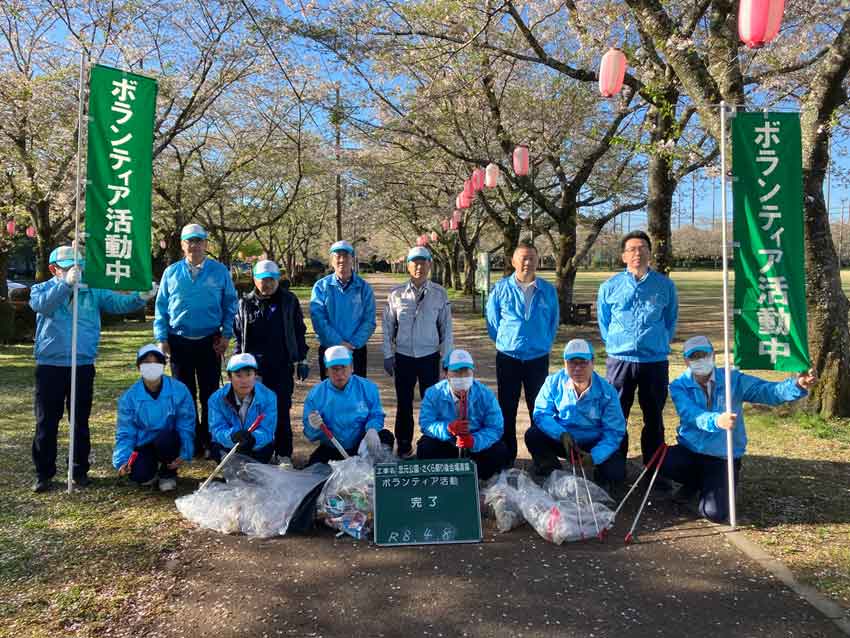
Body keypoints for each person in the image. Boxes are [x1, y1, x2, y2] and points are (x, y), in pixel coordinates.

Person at [30, 245, 153, 492]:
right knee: (47, 421)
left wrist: (141, 297)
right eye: (69, 268)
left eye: (79, 267)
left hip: (83, 364)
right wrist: (65, 285)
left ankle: (79, 470)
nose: (77, 272)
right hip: (51, 366)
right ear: (54, 269)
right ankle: (44, 473)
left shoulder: (92, 290)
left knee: (80, 421)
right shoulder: (41, 289)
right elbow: (43, 305)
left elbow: (117, 303)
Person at [660, 336, 816, 523]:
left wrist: (796, 385)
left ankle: (712, 483)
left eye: (704, 354)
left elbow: (766, 391)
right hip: (690, 450)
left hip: (722, 456)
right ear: (686, 361)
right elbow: (690, 414)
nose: (700, 360)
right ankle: (696, 483)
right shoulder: (679, 386)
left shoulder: (733, 379)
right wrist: (717, 421)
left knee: (713, 513)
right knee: (660, 462)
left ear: (713, 356)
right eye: (694, 356)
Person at [597, 230, 678, 474]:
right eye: (632, 249)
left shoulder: (664, 285)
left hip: (654, 361)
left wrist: (656, 342)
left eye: (642, 248)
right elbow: (604, 322)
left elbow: (670, 320)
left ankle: (653, 469)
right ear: (623, 256)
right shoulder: (610, 286)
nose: (637, 253)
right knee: (615, 415)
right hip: (620, 360)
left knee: (654, 417)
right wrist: (617, 344)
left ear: (650, 253)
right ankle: (614, 467)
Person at [154, 223, 238, 458]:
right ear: (182, 245)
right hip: (178, 342)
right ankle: (190, 441)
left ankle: (210, 439)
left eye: (198, 241)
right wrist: (161, 338)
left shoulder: (219, 271)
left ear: (206, 244)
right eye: (189, 241)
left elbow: (230, 304)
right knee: (185, 394)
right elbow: (161, 308)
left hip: (209, 342)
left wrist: (226, 335)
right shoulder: (171, 272)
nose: (194, 246)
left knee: (210, 393)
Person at [485, 240, 559, 465]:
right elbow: (493, 323)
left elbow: (553, 322)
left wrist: (541, 343)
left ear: (538, 261)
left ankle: (542, 457)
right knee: (507, 407)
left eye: (532, 258)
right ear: (513, 261)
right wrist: (508, 341)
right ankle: (507, 455)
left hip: (537, 358)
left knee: (539, 407)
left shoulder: (547, 290)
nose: (528, 262)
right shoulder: (500, 289)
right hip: (509, 357)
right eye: (523, 258)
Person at [234, 259, 309, 468]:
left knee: (281, 409)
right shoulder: (245, 303)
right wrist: (237, 364)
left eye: (271, 280)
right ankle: (260, 451)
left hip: (281, 365)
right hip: (253, 369)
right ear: (254, 280)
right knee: (256, 411)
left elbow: (299, 331)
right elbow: (239, 336)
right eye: (262, 280)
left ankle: (284, 453)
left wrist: (302, 359)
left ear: (277, 279)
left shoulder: (289, 300)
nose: (266, 284)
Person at [526, 339, 626, 493]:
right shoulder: (553, 382)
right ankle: (551, 471)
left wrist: (595, 456)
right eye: (572, 363)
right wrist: (561, 434)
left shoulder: (607, 392)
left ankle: (601, 475)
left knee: (615, 472)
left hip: (593, 442)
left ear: (592, 363)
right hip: (564, 440)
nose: (577, 368)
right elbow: (541, 413)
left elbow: (614, 431)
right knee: (533, 435)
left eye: (583, 362)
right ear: (565, 364)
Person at [382, 246, 453, 457]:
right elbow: (388, 326)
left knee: (431, 402)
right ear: (408, 266)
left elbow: (446, 328)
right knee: (404, 403)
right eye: (415, 263)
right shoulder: (396, 294)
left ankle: (431, 442)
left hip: (429, 357)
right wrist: (388, 354)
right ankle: (404, 444)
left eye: (423, 262)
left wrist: (446, 358)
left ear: (430, 265)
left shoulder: (439, 294)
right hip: (404, 357)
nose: (419, 267)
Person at [113, 345, 196, 491]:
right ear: (139, 367)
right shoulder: (129, 397)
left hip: (168, 441)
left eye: (156, 362)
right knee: (140, 475)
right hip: (143, 443)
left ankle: (168, 473)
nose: (151, 366)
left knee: (166, 438)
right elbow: (126, 432)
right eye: (146, 362)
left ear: (163, 365)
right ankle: (151, 470)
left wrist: (185, 451)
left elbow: (186, 423)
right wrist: (123, 460)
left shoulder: (179, 390)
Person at [417, 350, 509, 481]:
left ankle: (478, 479)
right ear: (446, 374)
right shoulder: (433, 393)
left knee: (500, 450)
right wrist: (447, 428)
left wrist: (474, 441)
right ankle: (442, 480)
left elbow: (495, 428)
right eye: (456, 372)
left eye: (466, 372)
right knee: (426, 447)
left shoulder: (485, 394)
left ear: (473, 373)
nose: (462, 377)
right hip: (447, 442)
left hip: (475, 444)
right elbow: (426, 424)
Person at [303, 345, 394, 465]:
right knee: (315, 467)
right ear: (326, 371)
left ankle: (370, 465)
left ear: (352, 368)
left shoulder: (367, 387)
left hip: (362, 446)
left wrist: (372, 429)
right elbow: (310, 435)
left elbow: (376, 414)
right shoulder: (315, 395)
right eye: (334, 369)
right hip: (333, 448)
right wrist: (312, 426)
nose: (339, 374)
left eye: (343, 368)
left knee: (386, 436)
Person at [309, 240, 376, 379]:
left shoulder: (364, 288)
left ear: (352, 259)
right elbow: (318, 320)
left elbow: (369, 320)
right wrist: (339, 343)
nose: (341, 260)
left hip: (356, 350)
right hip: (329, 349)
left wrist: (352, 344)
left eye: (346, 256)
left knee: (357, 389)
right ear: (331, 261)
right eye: (337, 256)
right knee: (330, 390)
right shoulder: (321, 287)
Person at [208, 353, 277, 463]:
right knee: (217, 449)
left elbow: (267, 431)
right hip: (229, 446)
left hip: (256, 446)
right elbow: (217, 429)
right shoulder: (216, 399)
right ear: (230, 377)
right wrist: (232, 436)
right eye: (238, 375)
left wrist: (253, 438)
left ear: (255, 375)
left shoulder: (269, 397)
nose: (244, 381)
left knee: (266, 448)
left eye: (248, 375)